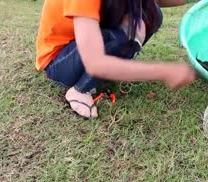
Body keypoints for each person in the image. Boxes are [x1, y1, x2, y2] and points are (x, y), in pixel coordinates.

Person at [35, 0, 197, 119]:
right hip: (59, 63)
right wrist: (165, 71)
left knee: (152, 13)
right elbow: (95, 63)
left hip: (85, 48)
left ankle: (116, 66)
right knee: (128, 33)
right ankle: (79, 90)